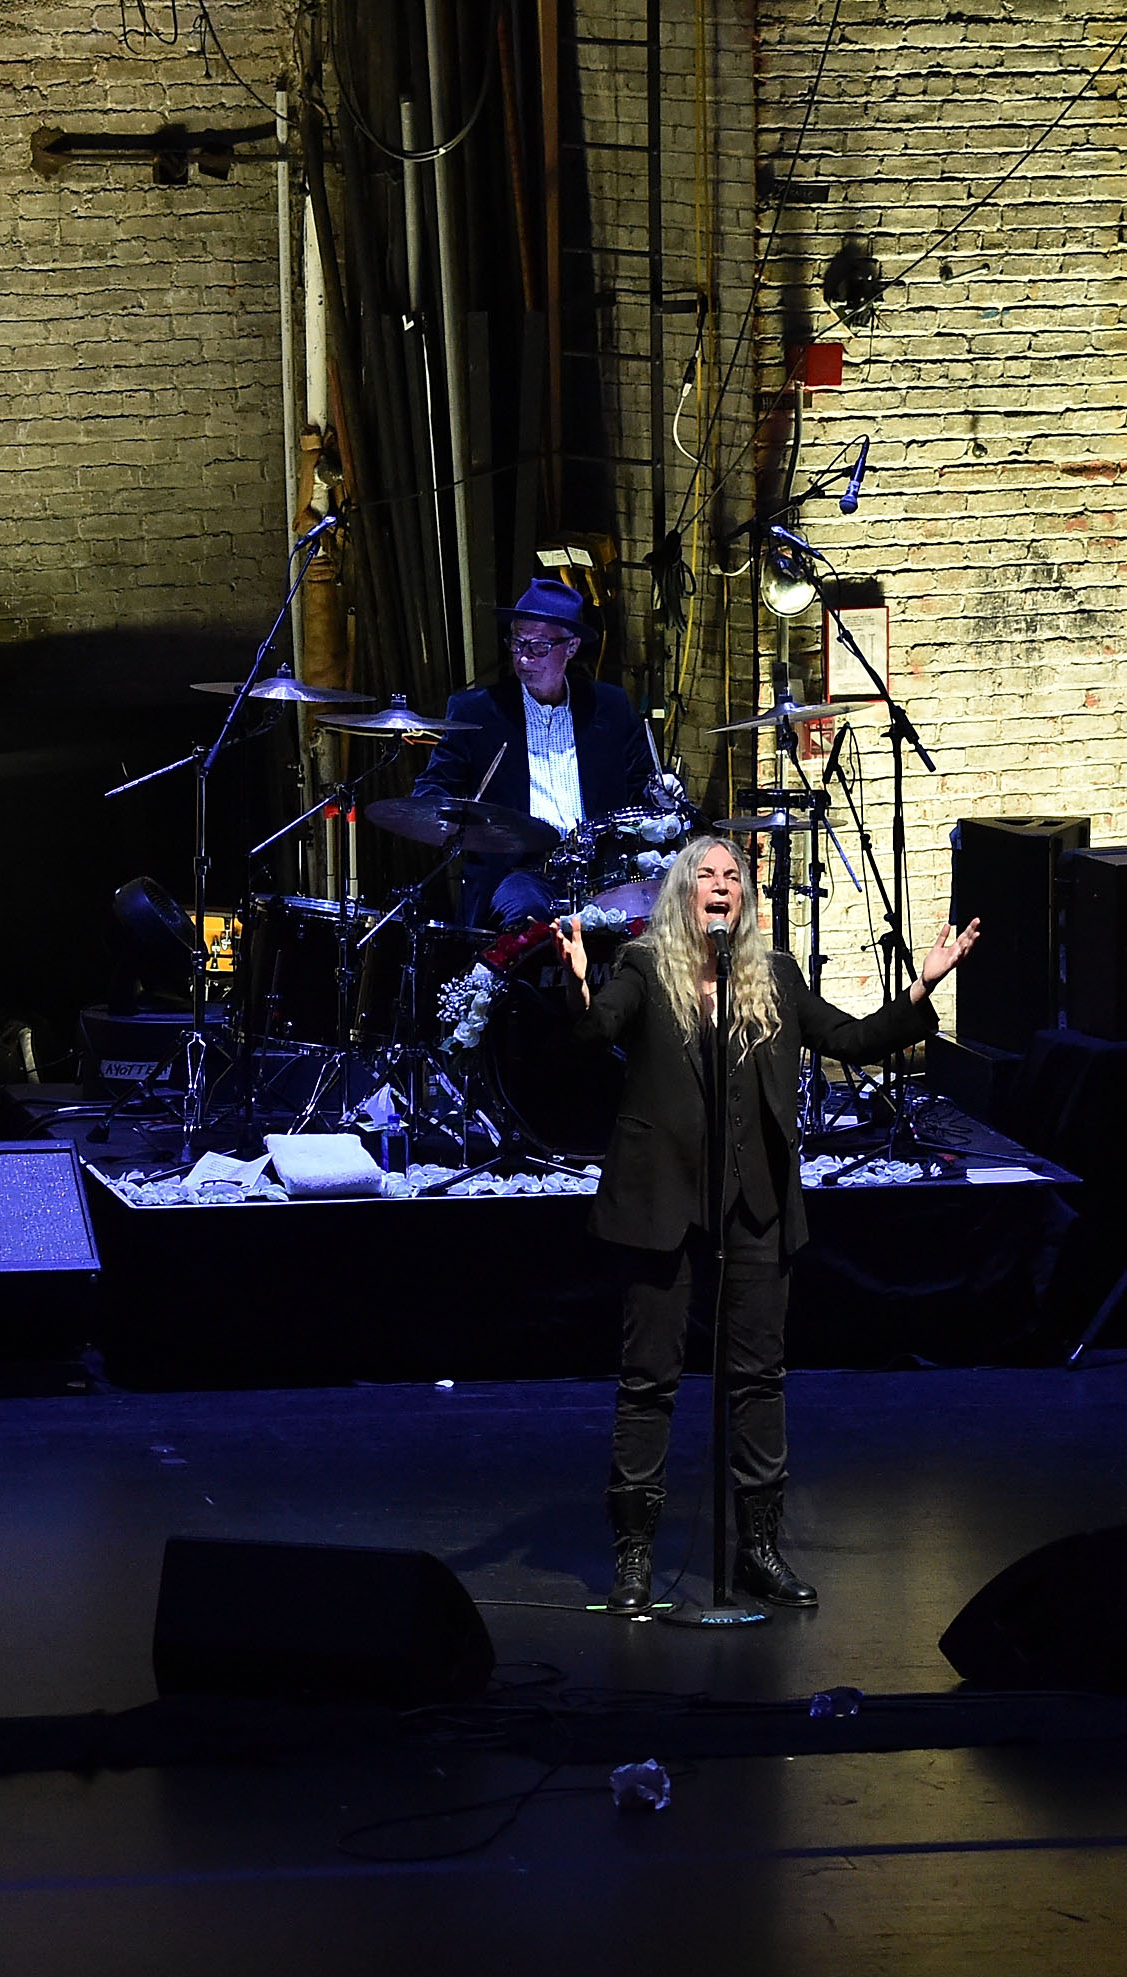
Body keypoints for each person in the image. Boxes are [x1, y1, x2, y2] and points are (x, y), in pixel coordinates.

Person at [557, 836, 977, 1611]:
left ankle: (757, 1550)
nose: (721, 886)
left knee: (758, 1381)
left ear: (744, 898)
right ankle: (634, 1560)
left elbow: (847, 1039)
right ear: (682, 893)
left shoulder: (774, 977)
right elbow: (595, 1033)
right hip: (661, 1202)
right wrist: (581, 987)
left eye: (732, 878)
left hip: (756, 1199)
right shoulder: (645, 969)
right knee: (650, 1380)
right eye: (706, 876)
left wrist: (919, 991)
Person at [414, 578, 662, 925]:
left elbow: (645, 785)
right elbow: (431, 791)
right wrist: (455, 819)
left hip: (601, 869)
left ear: (571, 647)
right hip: (520, 871)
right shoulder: (478, 713)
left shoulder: (608, 707)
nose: (524, 658)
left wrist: (662, 791)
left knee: (663, 911)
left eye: (539, 646)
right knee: (527, 912)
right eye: (517, 643)